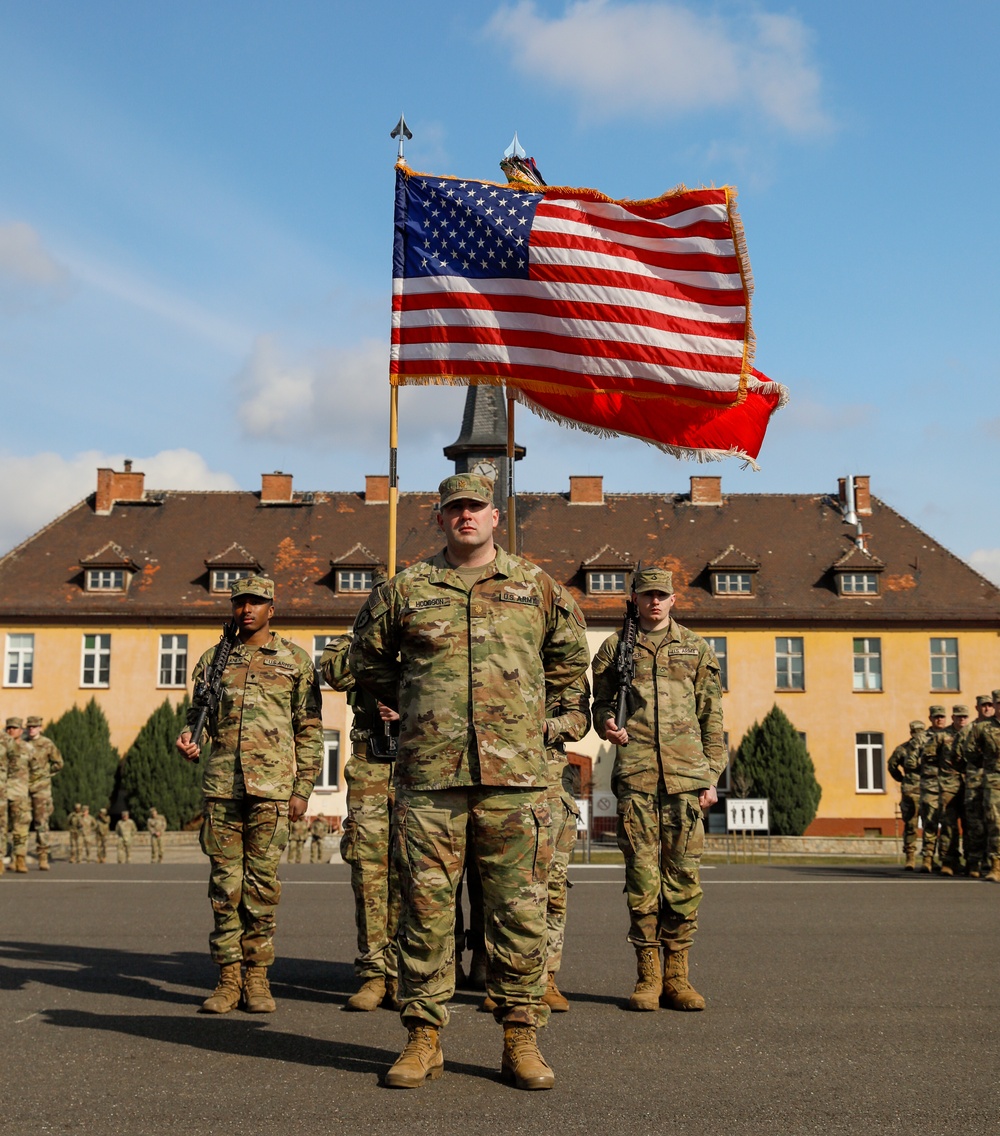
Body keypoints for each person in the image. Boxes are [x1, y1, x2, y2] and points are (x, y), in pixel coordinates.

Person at [350, 472, 589, 1091]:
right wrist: (410, 703)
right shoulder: (405, 590)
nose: (465, 516)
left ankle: (520, 1039)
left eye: (475, 507)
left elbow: (570, 664)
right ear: (439, 517)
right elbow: (367, 659)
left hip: (517, 778)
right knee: (425, 911)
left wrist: (549, 723)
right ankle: (422, 1038)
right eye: (454, 508)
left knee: (519, 911)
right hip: (430, 775)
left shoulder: (537, 587)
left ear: (494, 516)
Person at [176, 575, 323, 1015]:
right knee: (225, 888)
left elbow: (310, 729)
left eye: (256, 602)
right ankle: (227, 978)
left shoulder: (295, 660)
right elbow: (195, 714)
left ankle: (257, 978)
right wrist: (187, 736)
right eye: (241, 601)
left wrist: (303, 788)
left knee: (261, 888)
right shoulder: (214, 660)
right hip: (223, 787)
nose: (247, 609)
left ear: (271, 608)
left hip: (273, 791)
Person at [592, 567, 725, 1013]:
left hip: (687, 780)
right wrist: (606, 724)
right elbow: (601, 704)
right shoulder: (615, 648)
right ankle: (648, 975)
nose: (654, 602)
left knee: (684, 878)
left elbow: (712, 717)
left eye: (662, 595)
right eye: (647, 594)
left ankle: (678, 977)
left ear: (673, 600)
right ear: (634, 597)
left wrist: (712, 775)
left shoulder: (696, 648)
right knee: (642, 880)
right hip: (638, 778)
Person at [322, 630, 401, 1013]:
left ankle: (404, 972)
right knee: (369, 874)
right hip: (371, 767)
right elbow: (334, 672)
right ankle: (373, 972)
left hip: (419, 766)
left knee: (415, 874)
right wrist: (373, 644)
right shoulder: (353, 642)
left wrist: (410, 702)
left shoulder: (427, 637)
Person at [540, 674, 591, 1013]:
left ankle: (546, 978)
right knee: (502, 890)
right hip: (498, 779)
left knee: (554, 888)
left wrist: (547, 726)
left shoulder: (564, 660)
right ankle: (505, 978)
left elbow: (580, 720)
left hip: (551, 783)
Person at [961, 696, 996, 877]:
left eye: (991, 705)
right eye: (985, 705)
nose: (988, 708)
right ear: (977, 708)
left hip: (993, 781)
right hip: (976, 783)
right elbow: (962, 754)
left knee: (994, 824)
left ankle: (992, 864)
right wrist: (981, 764)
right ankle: (974, 861)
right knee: (976, 824)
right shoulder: (972, 729)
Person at [24, 716, 63, 872]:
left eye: (35, 726)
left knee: (41, 823)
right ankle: (18, 856)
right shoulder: (22, 744)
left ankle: (43, 857)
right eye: (30, 726)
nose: (32, 729)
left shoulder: (47, 744)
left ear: (40, 727)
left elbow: (59, 763)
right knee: (22, 822)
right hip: (24, 788)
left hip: (41, 789)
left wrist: (46, 774)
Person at [887, 720, 928, 870]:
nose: (918, 734)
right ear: (911, 733)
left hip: (927, 790)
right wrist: (902, 779)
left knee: (928, 825)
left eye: (920, 731)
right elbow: (892, 765)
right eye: (915, 731)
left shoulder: (930, 748)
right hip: (910, 791)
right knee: (910, 825)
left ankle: (927, 859)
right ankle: (910, 857)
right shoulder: (903, 749)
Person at [969, 689, 1000, 882]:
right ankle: (996, 865)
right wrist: (985, 764)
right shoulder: (982, 728)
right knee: (995, 823)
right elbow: (969, 750)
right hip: (994, 780)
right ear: (995, 705)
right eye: (999, 704)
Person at [916, 706, 949, 872]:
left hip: (949, 785)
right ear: (930, 718)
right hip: (930, 785)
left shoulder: (953, 735)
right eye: (936, 717)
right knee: (930, 822)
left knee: (948, 824)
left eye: (942, 717)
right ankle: (928, 859)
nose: (939, 720)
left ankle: (946, 860)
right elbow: (912, 761)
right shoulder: (922, 738)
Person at [4, 717, 32, 874]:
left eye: (14, 728)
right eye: (8, 728)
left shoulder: (28, 749)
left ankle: (19, 859)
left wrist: (32, 788)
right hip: (1, 794)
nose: (10, 730)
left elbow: (38, 771)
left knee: (20, 828)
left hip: (20, 794)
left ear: (21, 731)